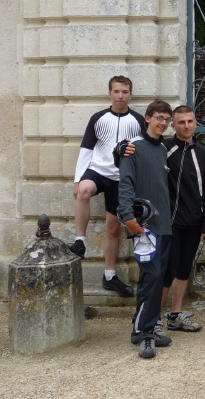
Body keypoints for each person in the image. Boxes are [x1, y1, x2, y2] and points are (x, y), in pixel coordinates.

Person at [71, 75, 145, 297]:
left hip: (121, 179)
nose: (120, 96)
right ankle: (79, 241)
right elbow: (86, 149)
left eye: (124, 92)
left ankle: (110, 276)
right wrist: (77, 180)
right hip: (98, 171)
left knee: (113, 229)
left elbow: (143, 151)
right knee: (84, 190)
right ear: (110, 93)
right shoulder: (98, 118)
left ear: (130, 95)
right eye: (116, 91)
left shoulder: (138, 120)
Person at [116, 100, 174, 359]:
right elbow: (126, 183)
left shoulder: (162, 148)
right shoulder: (132, 147)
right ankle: (145, 332)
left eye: (167, 119)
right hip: (143, 226)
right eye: (159, 117)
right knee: (152, 277)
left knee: (155, 279)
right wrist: (128, 217)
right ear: (148, 118)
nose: (163, 123)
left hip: (163, 224)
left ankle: (143, 327)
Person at [160, 105, 205, 334]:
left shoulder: (204, 154)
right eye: (181, 122)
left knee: (184, 269)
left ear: (195, 123)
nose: (186, 126)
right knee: (167, 270)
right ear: (173, 125)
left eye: (190, 121)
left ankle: (175, 315)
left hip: (193, 221)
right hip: (169, 222)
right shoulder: (163, 149)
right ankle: (153, 320)